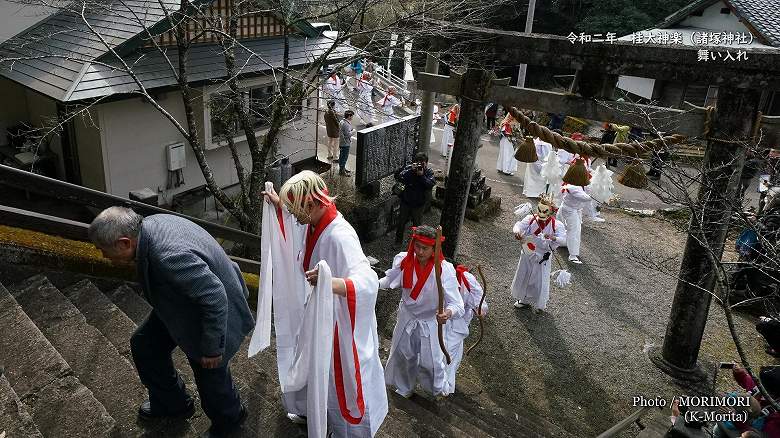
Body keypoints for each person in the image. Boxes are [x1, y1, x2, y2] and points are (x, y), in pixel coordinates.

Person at [88, 207, 254, 437]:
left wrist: (212, 347)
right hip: (179, 301)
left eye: (104, 250)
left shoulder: (166, 256)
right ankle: (172, 402)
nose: (104, 256)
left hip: (213, 313)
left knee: (210, 373)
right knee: (145, 344)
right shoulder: (149, 225)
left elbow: (214, 297)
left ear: (125, 243)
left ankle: (230, 420)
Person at [261, 172, 388, 437]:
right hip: (319, 316)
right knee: (313, 366)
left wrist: (330, 282)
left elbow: (368, 281)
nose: (294, 216)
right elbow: (297, 223)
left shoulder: (340, 236)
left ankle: (344, 430)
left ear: (310, 205)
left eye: (296, 209)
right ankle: (311, 410)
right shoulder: (315, 220)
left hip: (338, 323)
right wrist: (279, 205)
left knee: (336, 379)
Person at [381, 225, 465, 397]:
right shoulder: (404, 260)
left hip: (430, 321)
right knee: (404, 354)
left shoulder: (444, 270)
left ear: (434, 248)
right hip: (407, 315)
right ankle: (405, 387)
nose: (419, 252)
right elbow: (390, 278)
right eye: (417, 246)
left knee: (430, 361)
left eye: (425, 248)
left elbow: (457, 304)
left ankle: (435, 388)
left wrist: (447, 313)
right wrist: (369, 284)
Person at [511, 196, 567, 313]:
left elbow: (564, 240)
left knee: (539, 280)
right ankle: (524, 299)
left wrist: (553, 237)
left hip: (543, 255)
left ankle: (539, 302)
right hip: (528, 251)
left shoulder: (557, 225)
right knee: (524, 275)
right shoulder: (530, 218)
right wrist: (518, 232)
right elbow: (518, 226)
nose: (541, 213)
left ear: (551, 211)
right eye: (539, 210)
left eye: (545, 211)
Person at [444, 265, 487, 394]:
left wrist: (481, 311)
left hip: (459, 323)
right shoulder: (439, 276)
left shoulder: (468, 280)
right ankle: (443, 383)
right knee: (450, 352)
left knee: (448, 353)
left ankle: (444, 385)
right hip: (440, 320)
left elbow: (481, 302)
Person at [394, 152, 436, 245]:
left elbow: (430, 184)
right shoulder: (409, 169)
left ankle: (415, 245)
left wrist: (421, 176)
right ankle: (398, 242)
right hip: (406, 201)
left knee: (417, 226)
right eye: (418, 163)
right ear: (414, 162)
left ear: (426, 163)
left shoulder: (428, 172)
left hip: (419, 204)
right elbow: (399, 177)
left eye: (422, 163)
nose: (420, 165)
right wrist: (410, 171)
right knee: (401, 223)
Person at [557, 182, 592, 264]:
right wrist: (593, 196)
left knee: (564, 229)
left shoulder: (571, 185)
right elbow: (584, 197)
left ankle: (563, 243)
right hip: (570, 211)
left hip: (567, 209)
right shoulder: (574, 187)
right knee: (574, 232)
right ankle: (572, 255)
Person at [338, 110, 355, 176]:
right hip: (345, 143)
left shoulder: (342, 121)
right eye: (352, 116)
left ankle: (342, 168)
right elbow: (348, 134)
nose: (352, 117)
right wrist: (353, 131)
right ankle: (342, 171)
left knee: (342, 156)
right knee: (344, 157)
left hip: (342, 142)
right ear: (349, 116)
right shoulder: (346, 124)